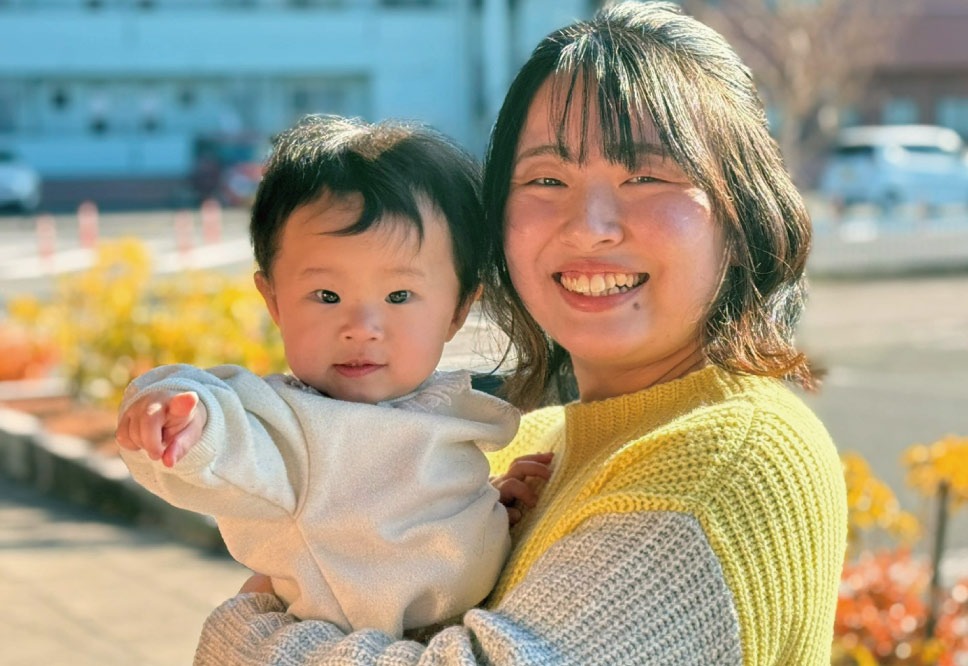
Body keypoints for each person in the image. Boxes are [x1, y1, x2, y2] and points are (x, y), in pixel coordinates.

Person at [192, 3, 848, 664]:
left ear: (741, 220)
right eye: (545, 178)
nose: (589, 225)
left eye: (645, 175)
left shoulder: (732, 459)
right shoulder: (519, 451)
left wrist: (241, 631)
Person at [115, 115, 552, 639]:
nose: (361, 329)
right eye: (327, 297)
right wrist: (180, 420)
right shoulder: (291, 428)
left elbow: (413, 519)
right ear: (273, 300)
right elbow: (227, 431)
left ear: (458, 309)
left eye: (398, 297)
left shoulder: (439, 404)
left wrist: (487, 512)